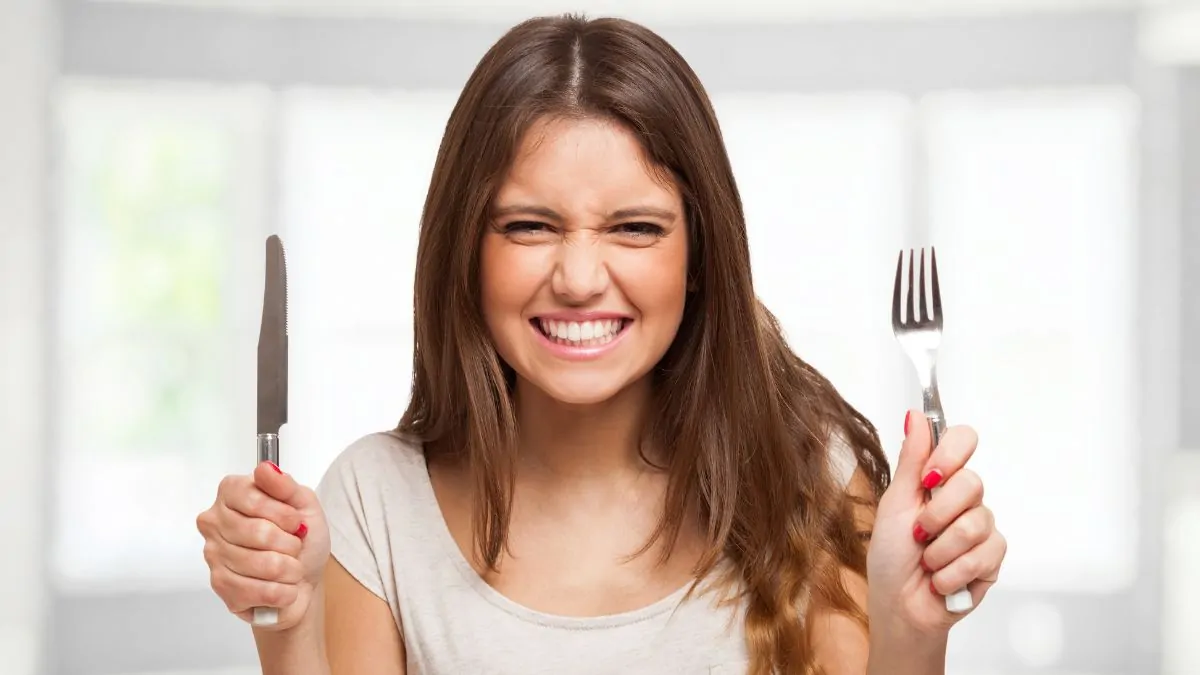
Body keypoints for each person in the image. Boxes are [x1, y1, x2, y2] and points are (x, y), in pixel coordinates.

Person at [196, 14, 1005, 675]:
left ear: (699, 258)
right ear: (465, 253)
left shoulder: (812, 482)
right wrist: (288, 629)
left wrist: (912, 630)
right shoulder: (375, 504)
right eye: (528, 226)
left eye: (636, 228)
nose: (580, 277)